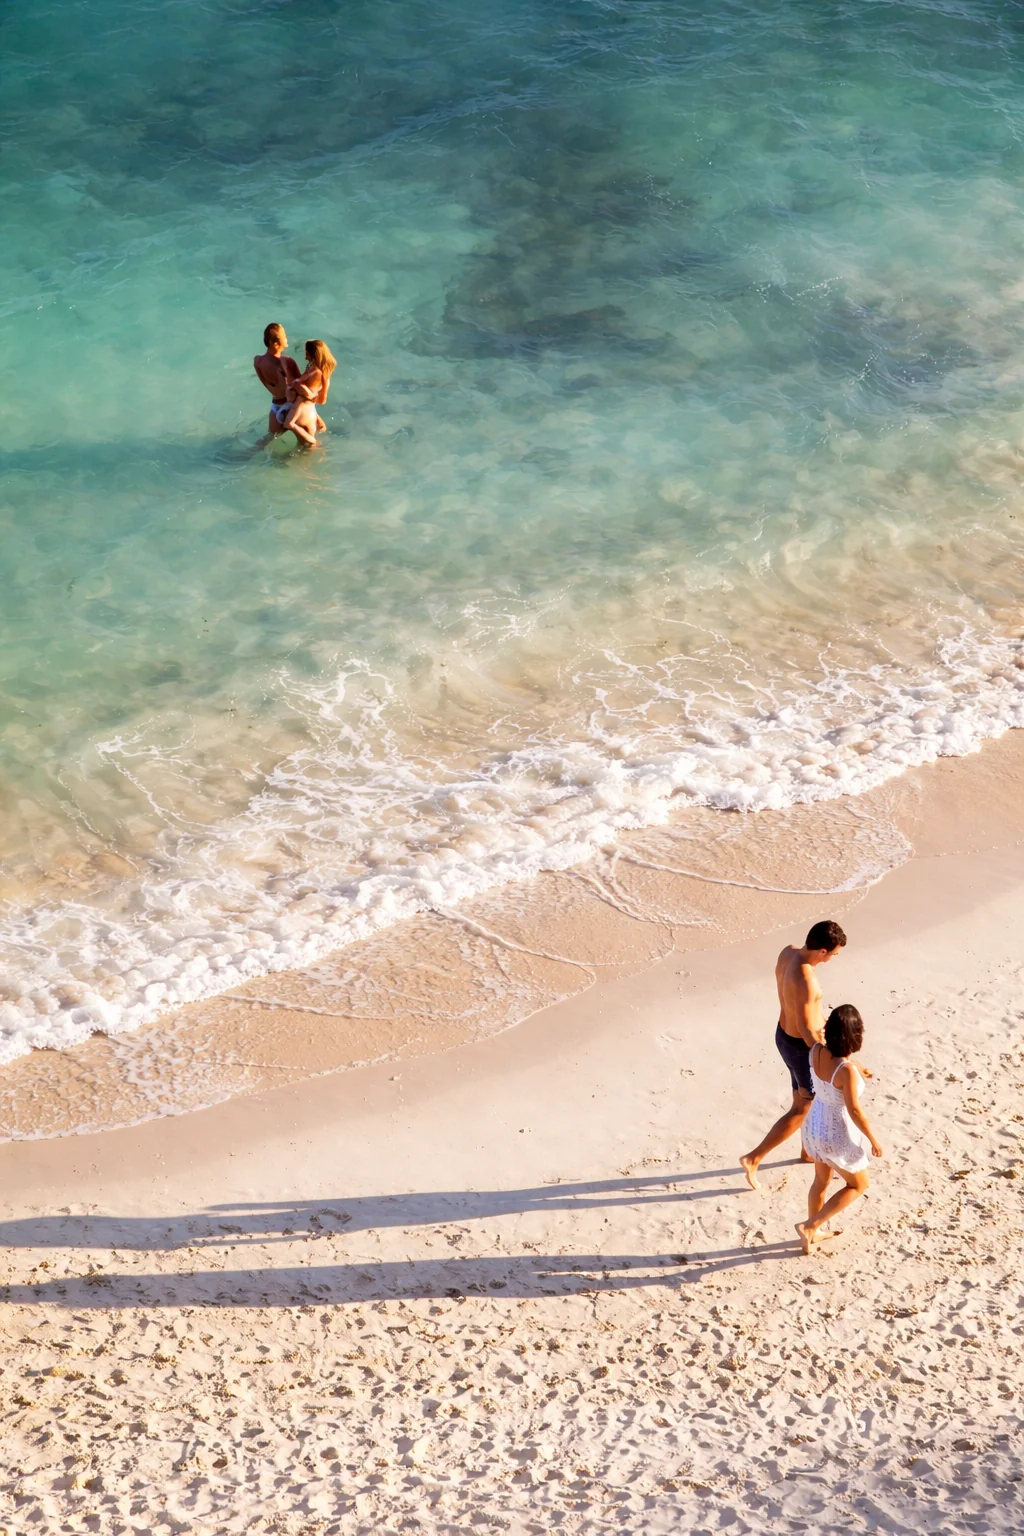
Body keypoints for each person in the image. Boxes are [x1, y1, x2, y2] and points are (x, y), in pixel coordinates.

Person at [740, 919, 847, 1191]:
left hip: (783, 1037)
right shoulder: (807, 980)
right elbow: (805, 1027)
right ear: (822, 951)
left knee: (802, 1096)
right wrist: (825, 1057)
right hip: (801, 1047)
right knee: (803, 1107)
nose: (833, 959)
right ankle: (754, 1158)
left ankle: (807, 1152)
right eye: (834, 954)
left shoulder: (788, 952)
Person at [795, 1003, 882, 1253]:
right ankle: (811, 1226)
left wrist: (859, 1067)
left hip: (813, 1125)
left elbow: (810, 1031)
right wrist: (873, 1140)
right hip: (834, 1131)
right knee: (858, 1185)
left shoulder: (815, 1051)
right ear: (856, 1036)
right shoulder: (847, 1072)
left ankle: (812, 1236)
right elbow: (855, 1111)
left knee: (820, 1181)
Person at [253, 323, 325, 441]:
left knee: (268, 440)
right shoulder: (286, 361)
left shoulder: (258, 361)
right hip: (293, 409)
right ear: (275, 343)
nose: (287, 339)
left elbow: (266, 384)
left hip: (276, 407)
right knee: (310, 446)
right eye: (284, 337)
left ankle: (244, 456)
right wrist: (317, 417)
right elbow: (298, 389)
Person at [281, 339, 336, 448]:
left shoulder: (316, 372)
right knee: (305, 448)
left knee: (309, 446)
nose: (305, 355)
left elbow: (318, 398)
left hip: (302, 410)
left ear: (313, 354)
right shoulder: (319, 372)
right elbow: (319, 399)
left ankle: (313, 442)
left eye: (306, 352)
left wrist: (307, 393)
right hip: (309, 412)